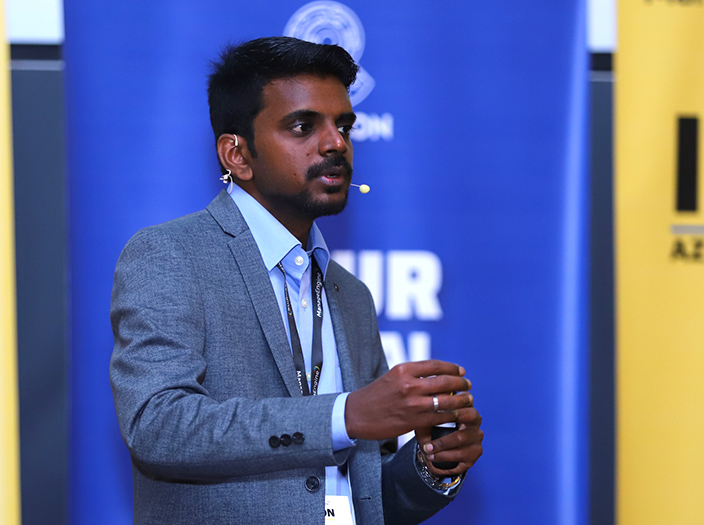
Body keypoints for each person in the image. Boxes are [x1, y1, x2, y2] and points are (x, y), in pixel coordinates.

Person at [110, 36, 483, 525]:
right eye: (303, 126)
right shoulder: (172, 255)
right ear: (237, 155)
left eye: (343, 126)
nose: (336, 144)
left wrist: (432, 466)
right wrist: (342, 416)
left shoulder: (351, 295)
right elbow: (158, 425)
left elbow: (366, 496)